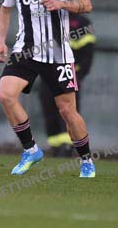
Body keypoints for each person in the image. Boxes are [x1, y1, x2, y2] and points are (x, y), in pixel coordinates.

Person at [0, 0, 96, 178]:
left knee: (67, 111)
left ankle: (86, 160)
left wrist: (62, 3)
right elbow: (5, 10)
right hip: (26, 49)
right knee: (6, 95)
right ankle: (30, 150)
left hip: (58, 52)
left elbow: (86, 4)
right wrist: (1, 41)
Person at [37, 12, 95, 156]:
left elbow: (87, 54)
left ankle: (69, 147)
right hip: (48, 75)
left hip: (68, 74)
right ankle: (55, 147)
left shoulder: (81, 23)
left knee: (68, 111)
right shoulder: (47, 19)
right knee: (49, 111)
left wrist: (78, 75)